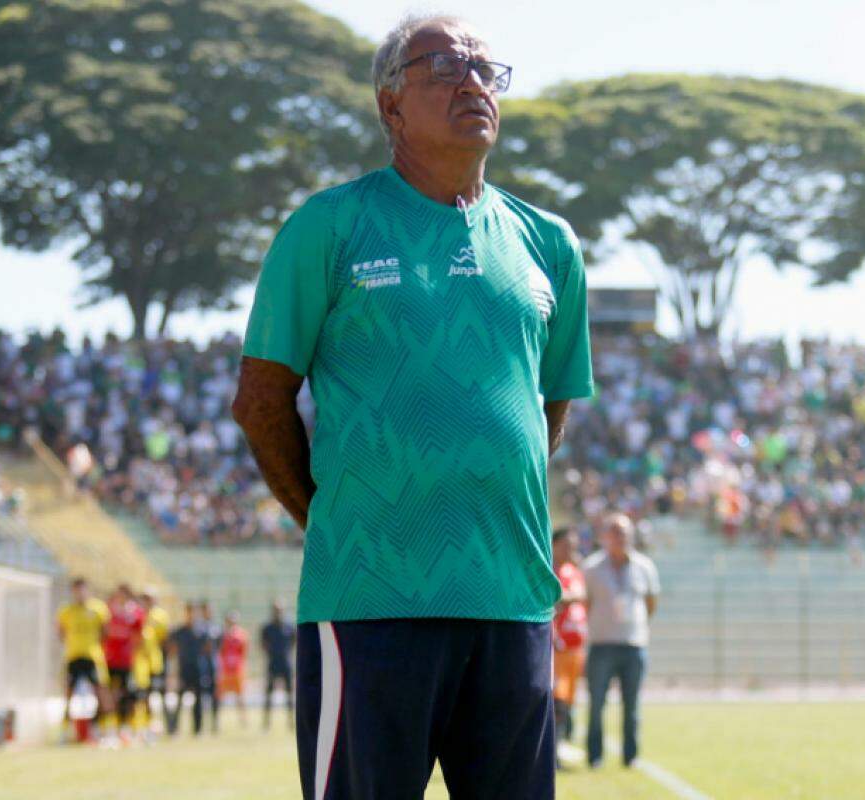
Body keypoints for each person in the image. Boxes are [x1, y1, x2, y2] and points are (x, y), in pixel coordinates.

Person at [232, 13, 593, 799]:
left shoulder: (550, 243)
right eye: (445, 68)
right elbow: (261, 401)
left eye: (487, 71)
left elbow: (545, 416)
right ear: (390, 105)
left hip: (514, 602)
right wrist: (333, 518)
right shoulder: (328, 226)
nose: (473, 84)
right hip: (370, 601)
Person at [583, 513, 660, 769]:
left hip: (633, 644)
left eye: (624, 532)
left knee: (632, 705)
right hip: (602, 643)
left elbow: (651, 603)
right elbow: (586, 603)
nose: (620, 537)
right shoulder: (592, 567)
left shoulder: (645, 567)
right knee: (596, 705)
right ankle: (595, 756)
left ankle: (631, 755)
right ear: (604, 536)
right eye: (614, 531)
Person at [56, 577, 109, 740]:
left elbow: (105, 632)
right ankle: (65, 731)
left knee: (101, 693)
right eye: (76, 590)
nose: (80, 593)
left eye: (82, 589)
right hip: (73, 656)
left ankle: (100, 728)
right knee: (68, 694)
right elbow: (61, 632)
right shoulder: (66, 611)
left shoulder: (98, 609)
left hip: (92, 656)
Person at [551, 526, 587, 761]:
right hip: (557, 648)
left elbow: (580, 597)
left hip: (575, 649)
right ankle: (552, 754)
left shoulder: (574, 571)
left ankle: (558, 749)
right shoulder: (549, 570)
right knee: (557, 703)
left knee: (567, 703)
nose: (570, 550)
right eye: (566, 545)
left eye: (573, 545)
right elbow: (556, 598)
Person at [102, 584, 144, 743]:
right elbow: (103, 631)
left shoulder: (135, 612)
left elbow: (138, 635)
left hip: (127, 661)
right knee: (108, 695)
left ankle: (125, 727)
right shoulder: (108, 610)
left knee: (127, 695)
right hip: (109, 659)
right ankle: (107, 728)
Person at [166, 603, 212, 736]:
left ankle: (197, 729)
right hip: (184, 670)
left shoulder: (202, 632)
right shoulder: (180, 631)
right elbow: (171, 648)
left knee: (198, 701)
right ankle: (174, 729)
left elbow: (207, 648)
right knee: (179, 700)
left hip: (198, 670)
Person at [137, 588, 170, 733]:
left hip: (155, 661)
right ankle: (145, 723)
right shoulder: (137, 614)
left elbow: (164, 639)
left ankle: (164, 724)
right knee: (143, 694)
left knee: (159, 693)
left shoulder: (160, 616)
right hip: (139, 662)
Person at [260, 601, 296, 731]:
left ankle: (291, 722)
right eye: (275, 609)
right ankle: (266, 723)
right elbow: (263, 644)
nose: (277, 612)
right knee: (268, 694)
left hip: (286, 663)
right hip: (273, 663)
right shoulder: (267, 628)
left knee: (289, 694)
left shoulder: (289, 627)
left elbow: (293, 642)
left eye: (279, 609)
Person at [217, 611, 249, 729]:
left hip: (236, 670)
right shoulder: (222, 635)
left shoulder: (241, 635)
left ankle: (243, 720)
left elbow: (244, 651)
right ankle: (217, 721)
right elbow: (220, 650)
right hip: (225, 670)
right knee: (220, 696)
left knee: (240, 696)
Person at [197, 600, 222, 734]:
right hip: (202, 666)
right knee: (201, 695)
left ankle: (215, 723)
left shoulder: (216, 627)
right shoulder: (198, 628)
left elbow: (219, 645)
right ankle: (200, 725)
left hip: (213, 665)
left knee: (214, 695)